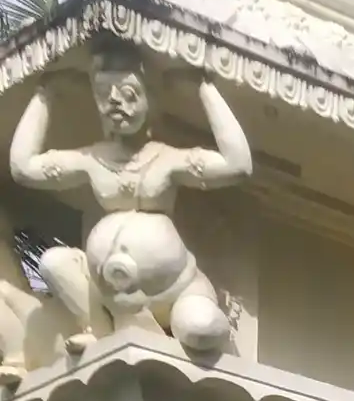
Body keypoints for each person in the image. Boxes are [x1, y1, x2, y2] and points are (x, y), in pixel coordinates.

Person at [8, 41, 250, 352]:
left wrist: (204, 88)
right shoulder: (91, 159)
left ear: (151, 99)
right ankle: (100, 330)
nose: (116, 103)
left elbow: (238, 164)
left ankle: (173, 330)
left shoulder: (168, 158)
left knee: (200, 328)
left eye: (128, 94)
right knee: (54, 262)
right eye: (104, 96)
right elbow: (23, 167)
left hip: (175, 292)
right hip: (109, 296)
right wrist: (45, 94)